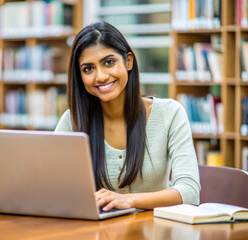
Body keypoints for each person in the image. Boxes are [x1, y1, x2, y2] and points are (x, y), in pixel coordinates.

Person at [54, 21, 200, 211]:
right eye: (88, 69)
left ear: (128, 61)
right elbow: (52, 187)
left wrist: (129, 200)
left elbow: (189, 192)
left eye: (109, 62)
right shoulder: (72, 122)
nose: (101, 76)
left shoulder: (169, 114)